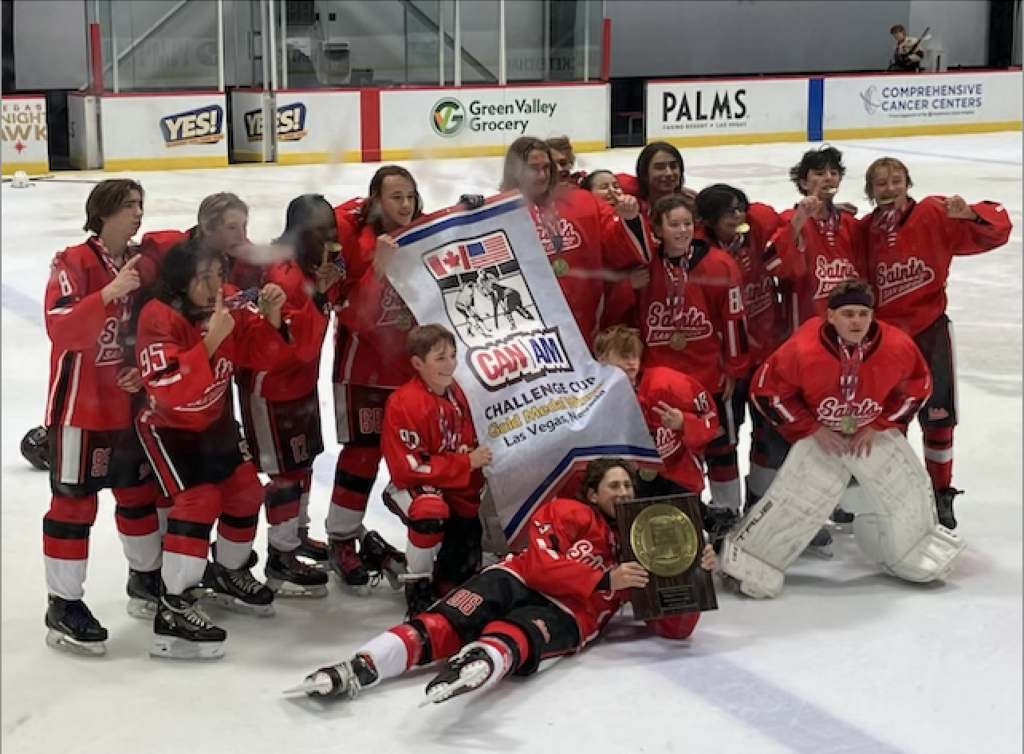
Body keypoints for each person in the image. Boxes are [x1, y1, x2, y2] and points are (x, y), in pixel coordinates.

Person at [293, 458, 717, 704]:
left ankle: (479, 663)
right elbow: (540, 564)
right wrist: (606, 576)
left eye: (628, 485)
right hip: (516, 578)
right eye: (614, 485)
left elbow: (675, 628)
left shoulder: (648, 541)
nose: (624, 491)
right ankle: (362, 665)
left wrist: (694, 569)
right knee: (441, 625)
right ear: (592, 493)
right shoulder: (569, 512)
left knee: (512, 637)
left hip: (570, 613)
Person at [722, 280, 964, 598]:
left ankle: (916, 544)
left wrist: (880, 424)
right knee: (800, 497)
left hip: (868, 433)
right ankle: (750, 558)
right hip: (818, 435)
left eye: (863, 314)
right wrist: (810, 428)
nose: (856, 322)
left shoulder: (897, 346)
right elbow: (766, 392)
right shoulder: (802, 349)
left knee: (902, 490)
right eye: (848, 314)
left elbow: (918, 387)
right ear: (831, 316)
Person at [135, 239, 297, 659]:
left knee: (245, 491)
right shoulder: (159, 315)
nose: (213, 286)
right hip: (169, 428)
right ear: (180, 280)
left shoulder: (227, 302)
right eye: (202, 278)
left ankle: (227, 573)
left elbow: (258, 354)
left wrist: (272, 315)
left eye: (218, 275)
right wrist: (210, 341)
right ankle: (173, 606)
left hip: (216, 421)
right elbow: (167, 388)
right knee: (199, 501)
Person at [41, 179, 164, 656]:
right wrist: (109, 292)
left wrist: (137, 368)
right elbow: (61, 326)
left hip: (126, 406)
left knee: (138, 495)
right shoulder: (73, 261)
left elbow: (145, 328)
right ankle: (64, 603)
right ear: (105, 211)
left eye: (140, 204)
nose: (138, 213)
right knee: (74, 506)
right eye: (130, 205)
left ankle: (146, 579)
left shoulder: (139, 263)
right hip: (80, 408)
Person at [859, 157, 1013, 528]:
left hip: (930, 333)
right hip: (885, 341)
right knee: (888, 420)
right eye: (881, 183)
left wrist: (970, 214)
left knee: (939, 417)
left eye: (897, 180)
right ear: (870, 191)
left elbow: (998, 230)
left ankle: (941, 491)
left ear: (908, 183)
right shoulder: (864, 230)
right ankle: (896, 492)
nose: (890, 188)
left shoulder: (933, 213)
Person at [235, 194, 344, 597]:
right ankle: (280, 557)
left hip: (299, 383)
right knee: (285, 472)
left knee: (303, 461)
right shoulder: (283, 274)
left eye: (331, 227)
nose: (329, 236)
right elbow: (296, 344)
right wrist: (320, 295)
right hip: (272, 388)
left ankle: (295, 535)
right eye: (319, 229)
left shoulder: (312, 263)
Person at [326, 166, 423, 590]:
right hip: (362, 370)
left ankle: (423, 534)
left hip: (411, 368)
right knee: (361, 456)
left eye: (410, 196)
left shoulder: (423, 231)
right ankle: (341, 538)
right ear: (376, 201)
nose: (405, 205)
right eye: (395, 197)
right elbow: (353, 314)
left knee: (418, 454)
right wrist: (378, 269)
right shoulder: (354, 240)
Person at [633, 194, 750, 536]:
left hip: (708, 379)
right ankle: (683, 524)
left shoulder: (718, 265)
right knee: (671, 455)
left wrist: (734, 368)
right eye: (674, 224)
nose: (682, 230)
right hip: (660, 384)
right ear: (657, 229)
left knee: (721, 447)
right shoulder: (645, 267)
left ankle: (728, 515)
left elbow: (735, 319)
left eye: (687, 223)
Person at [381, 324, 491, 616]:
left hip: (451, 484)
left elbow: (466, 438)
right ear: (418, 363)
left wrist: (465, 453)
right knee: (429, 511)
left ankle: (390, 560)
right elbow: (408, 469)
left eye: (453, 356)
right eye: (440, 358)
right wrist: (464, 462)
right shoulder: (405, 402)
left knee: (457, 580)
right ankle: (416, 586)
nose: (450, 364)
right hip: (411, 486)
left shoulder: (458, 393)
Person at [499, 136, 648, 346]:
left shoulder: (583, 202)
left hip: (583, 318)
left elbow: (614, 238)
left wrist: (629, 218)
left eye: (546, 168)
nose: (542, 175)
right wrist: (469, 213)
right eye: (534, 168)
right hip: (530, 323)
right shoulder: (501, 213)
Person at [695, 184, 785, 510]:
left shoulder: (757, 226)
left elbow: (783, 220)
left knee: (770, 434)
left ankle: (762, 505)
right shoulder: (699, 254)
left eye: (739, 209)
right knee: (723, 439)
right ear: (709, 220)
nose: (737, 216)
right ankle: (727, 511)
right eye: (727, 213)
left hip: (767, 356)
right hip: (727, 364)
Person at [594, 325, 719, 500]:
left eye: (635, 355)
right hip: (630, 481)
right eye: (624, 356)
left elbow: (710, 416)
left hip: (678, 475)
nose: (631, 362)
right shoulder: (594, 396)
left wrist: (684, 422)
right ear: (602, 359)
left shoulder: (667, 384)